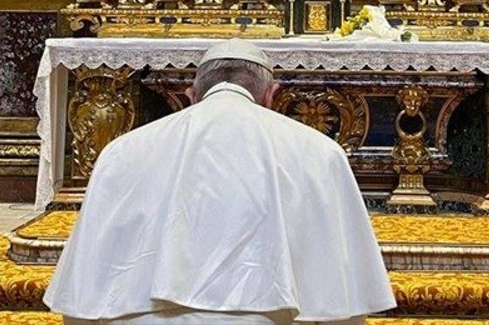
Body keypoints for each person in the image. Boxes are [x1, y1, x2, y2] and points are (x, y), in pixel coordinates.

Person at [45, 39, 396, 325]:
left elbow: (81, 294)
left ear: (190, 94)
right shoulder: (319, 151)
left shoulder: (123, 151)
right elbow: (345, 300)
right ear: (271, 96)